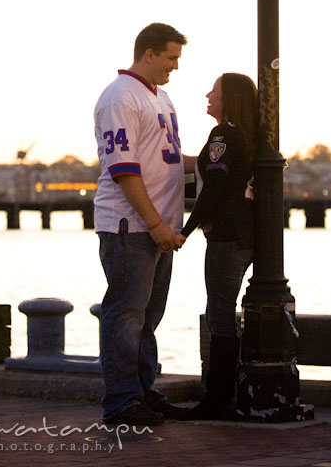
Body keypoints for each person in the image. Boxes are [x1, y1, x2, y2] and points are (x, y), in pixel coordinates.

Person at [94, 22, 191, 426]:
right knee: (125, 314)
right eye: (171, 57)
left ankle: (142, 392)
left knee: (148, 317)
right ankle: (121, 401)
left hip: (160, 228)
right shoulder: (120, 98)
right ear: (148, 53)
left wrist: (222, 162)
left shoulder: (162, 97)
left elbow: (170, 158)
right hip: (129, 226)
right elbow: (124, 169)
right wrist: (154, 223)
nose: (175, 66)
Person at [180, 73, 258, 421]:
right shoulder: (248, 136)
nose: (208, 94)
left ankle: (217, 398)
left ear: (230, 98)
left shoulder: (223, 134)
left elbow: (214, 189)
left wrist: (185, 230)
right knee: (223, 313)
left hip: (225, 237)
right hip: (245, 237)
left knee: (220, 316)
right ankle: (226, 393)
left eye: (216, 90)